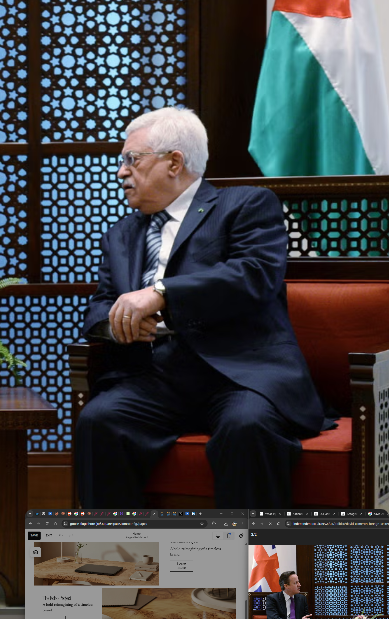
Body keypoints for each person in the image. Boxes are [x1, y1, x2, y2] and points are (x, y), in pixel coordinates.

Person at [75, 107, 330, 508]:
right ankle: (117, 549)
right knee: (99, 420)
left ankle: (247, 552)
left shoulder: (245, 204)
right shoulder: (121, 234)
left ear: (174, 162)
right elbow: (101, 304)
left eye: (132, 159)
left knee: (246, 426)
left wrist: (161, 293)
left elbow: (253, 275)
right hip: (157, 377)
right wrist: (118, 323)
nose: (121, 172)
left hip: (239, 376)